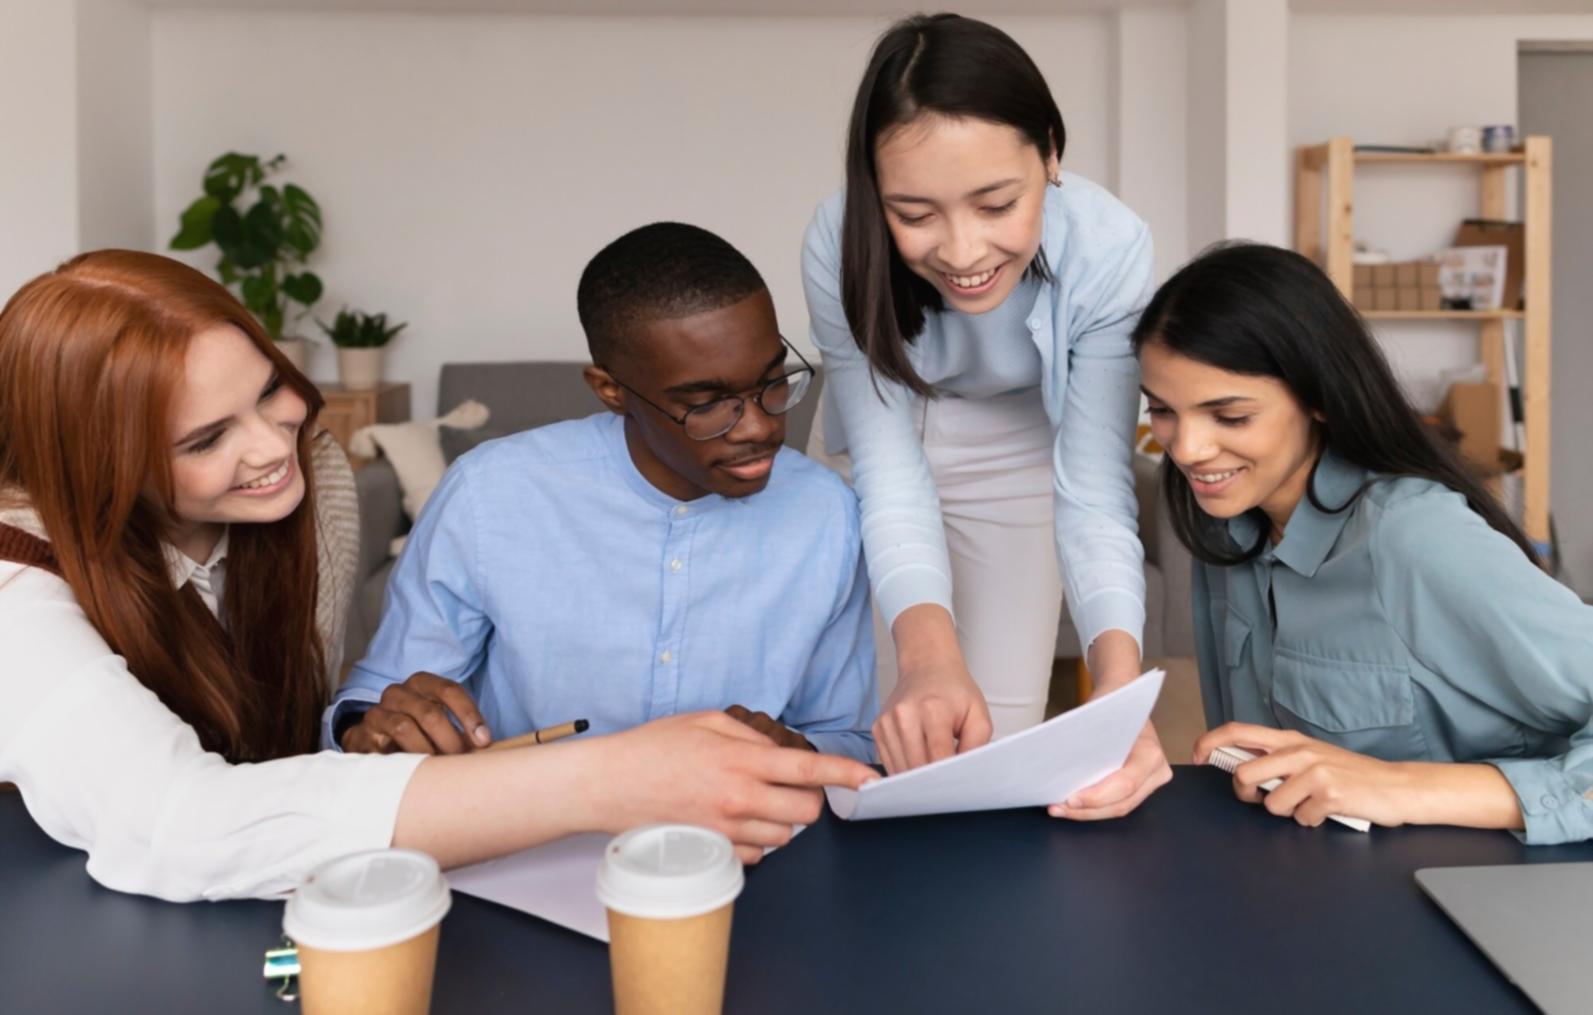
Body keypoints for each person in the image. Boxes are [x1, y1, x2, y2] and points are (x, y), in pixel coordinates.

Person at [0, 250, 876, 902]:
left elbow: (300, 732)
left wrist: (361, 726)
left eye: (269, 391)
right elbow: (175, 826)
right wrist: (610, 775)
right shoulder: (17, 599)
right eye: (205, 438)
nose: (273, 447)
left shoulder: (311, 485)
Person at [330, 222, 877, 764]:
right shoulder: (490, 494)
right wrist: (370, 729)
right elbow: (379, 701)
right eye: (707, 404)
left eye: (773, 382)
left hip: (746, 819)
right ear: (611, 390)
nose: (759, 427)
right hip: (526, 816)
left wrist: (798, 748)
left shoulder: (826, 512)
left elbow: (850, 737)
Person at [802, 13, 1168, 818]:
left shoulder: (1109, 248)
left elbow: (1095, 488)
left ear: (1050, 154)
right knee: (867, 723)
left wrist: (1118, 690)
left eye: (996, 203)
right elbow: (888, 473)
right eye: (914, 214)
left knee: (998, 740)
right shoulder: (836, 241)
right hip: (879, 441)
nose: (962, 252)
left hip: (1022, 440)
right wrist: (926, 655)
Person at [1135, 242, 1593, 843]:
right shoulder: (1228, 528)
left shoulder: (1415, 538)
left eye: (1231, 416)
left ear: (1319, 400)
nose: (1187, 449)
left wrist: (1402, 786)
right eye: (1163, 410)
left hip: (1484, 881)